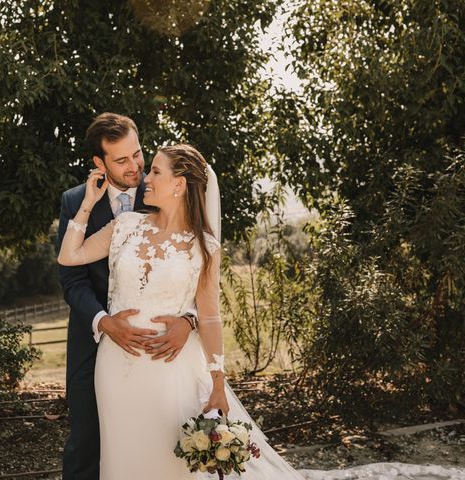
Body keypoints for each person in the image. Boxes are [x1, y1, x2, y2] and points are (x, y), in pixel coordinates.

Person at [58, 143, 305, 479]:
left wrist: (218, 383)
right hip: (115, 367)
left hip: (169, 367)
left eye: (156, 172)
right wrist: (87, 203)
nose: (146, 177)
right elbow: (69, 257)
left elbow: (209, 316)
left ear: (179, 184)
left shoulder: (204, 245)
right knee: (121, 456)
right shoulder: (126, 224)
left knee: (168, 460)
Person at [56, 113, 197, 480]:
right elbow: (71, 278)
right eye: (121, 160)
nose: (136, 167)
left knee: (162, 441)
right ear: (99, 164)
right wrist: (104, 322)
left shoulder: (161, 191)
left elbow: (193, 265)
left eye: (137, 154)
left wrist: (189, 320)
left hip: (160, 347)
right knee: (86, 441)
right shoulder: (74, 200)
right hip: (94, 340)